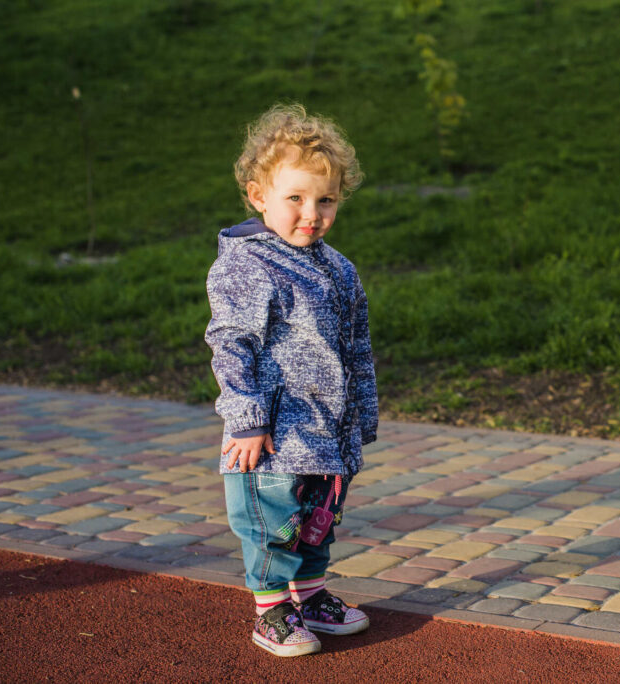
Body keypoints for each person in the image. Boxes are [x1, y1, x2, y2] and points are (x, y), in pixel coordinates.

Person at [205, 103, 378, 657]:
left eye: (326, 200)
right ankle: (271, 610)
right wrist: (248, 419)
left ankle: (310, 593)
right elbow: (232, 342)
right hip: (273, 435)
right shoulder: (248, 264)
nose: (313, 213)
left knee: (317, 520)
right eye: (295, 199)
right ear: (259, 196)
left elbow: (359, 350)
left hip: (328, 430)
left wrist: (361, 418)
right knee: (272, 521)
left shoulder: (340, 267)